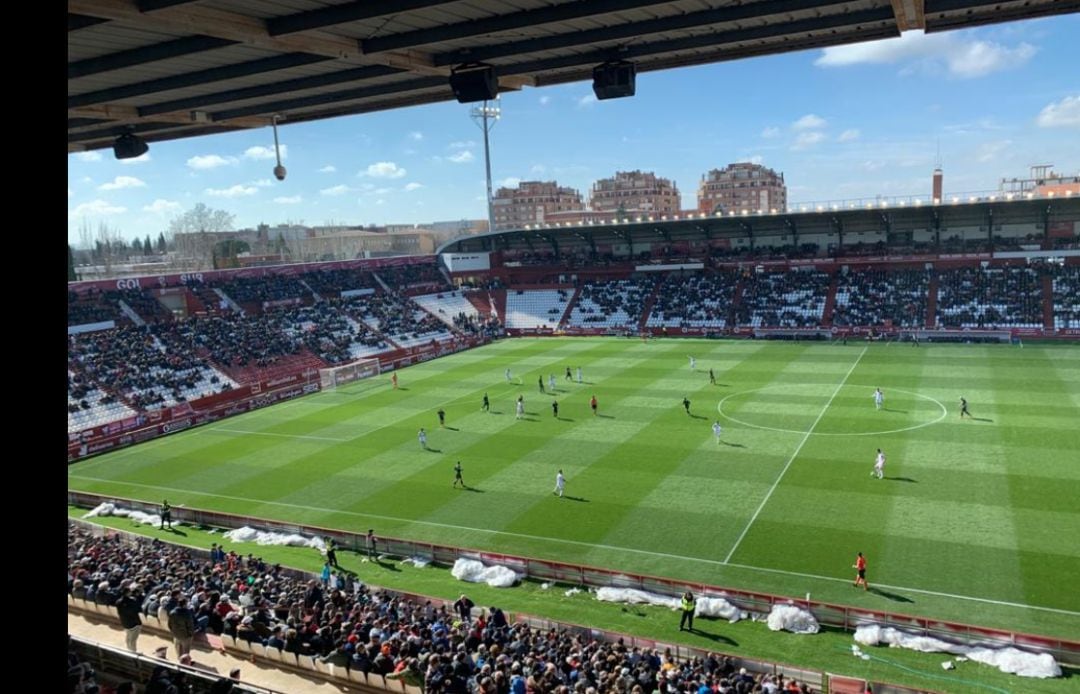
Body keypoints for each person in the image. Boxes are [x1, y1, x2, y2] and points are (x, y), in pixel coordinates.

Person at [116, 586, 143, 652]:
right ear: (127, 593)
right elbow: (139, 609)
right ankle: (133, 653)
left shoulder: (118, 602)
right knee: (133, 640)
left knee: (128, 637)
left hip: (125, 622)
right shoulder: (132, 601)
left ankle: (128, 649)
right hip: (134, 623)